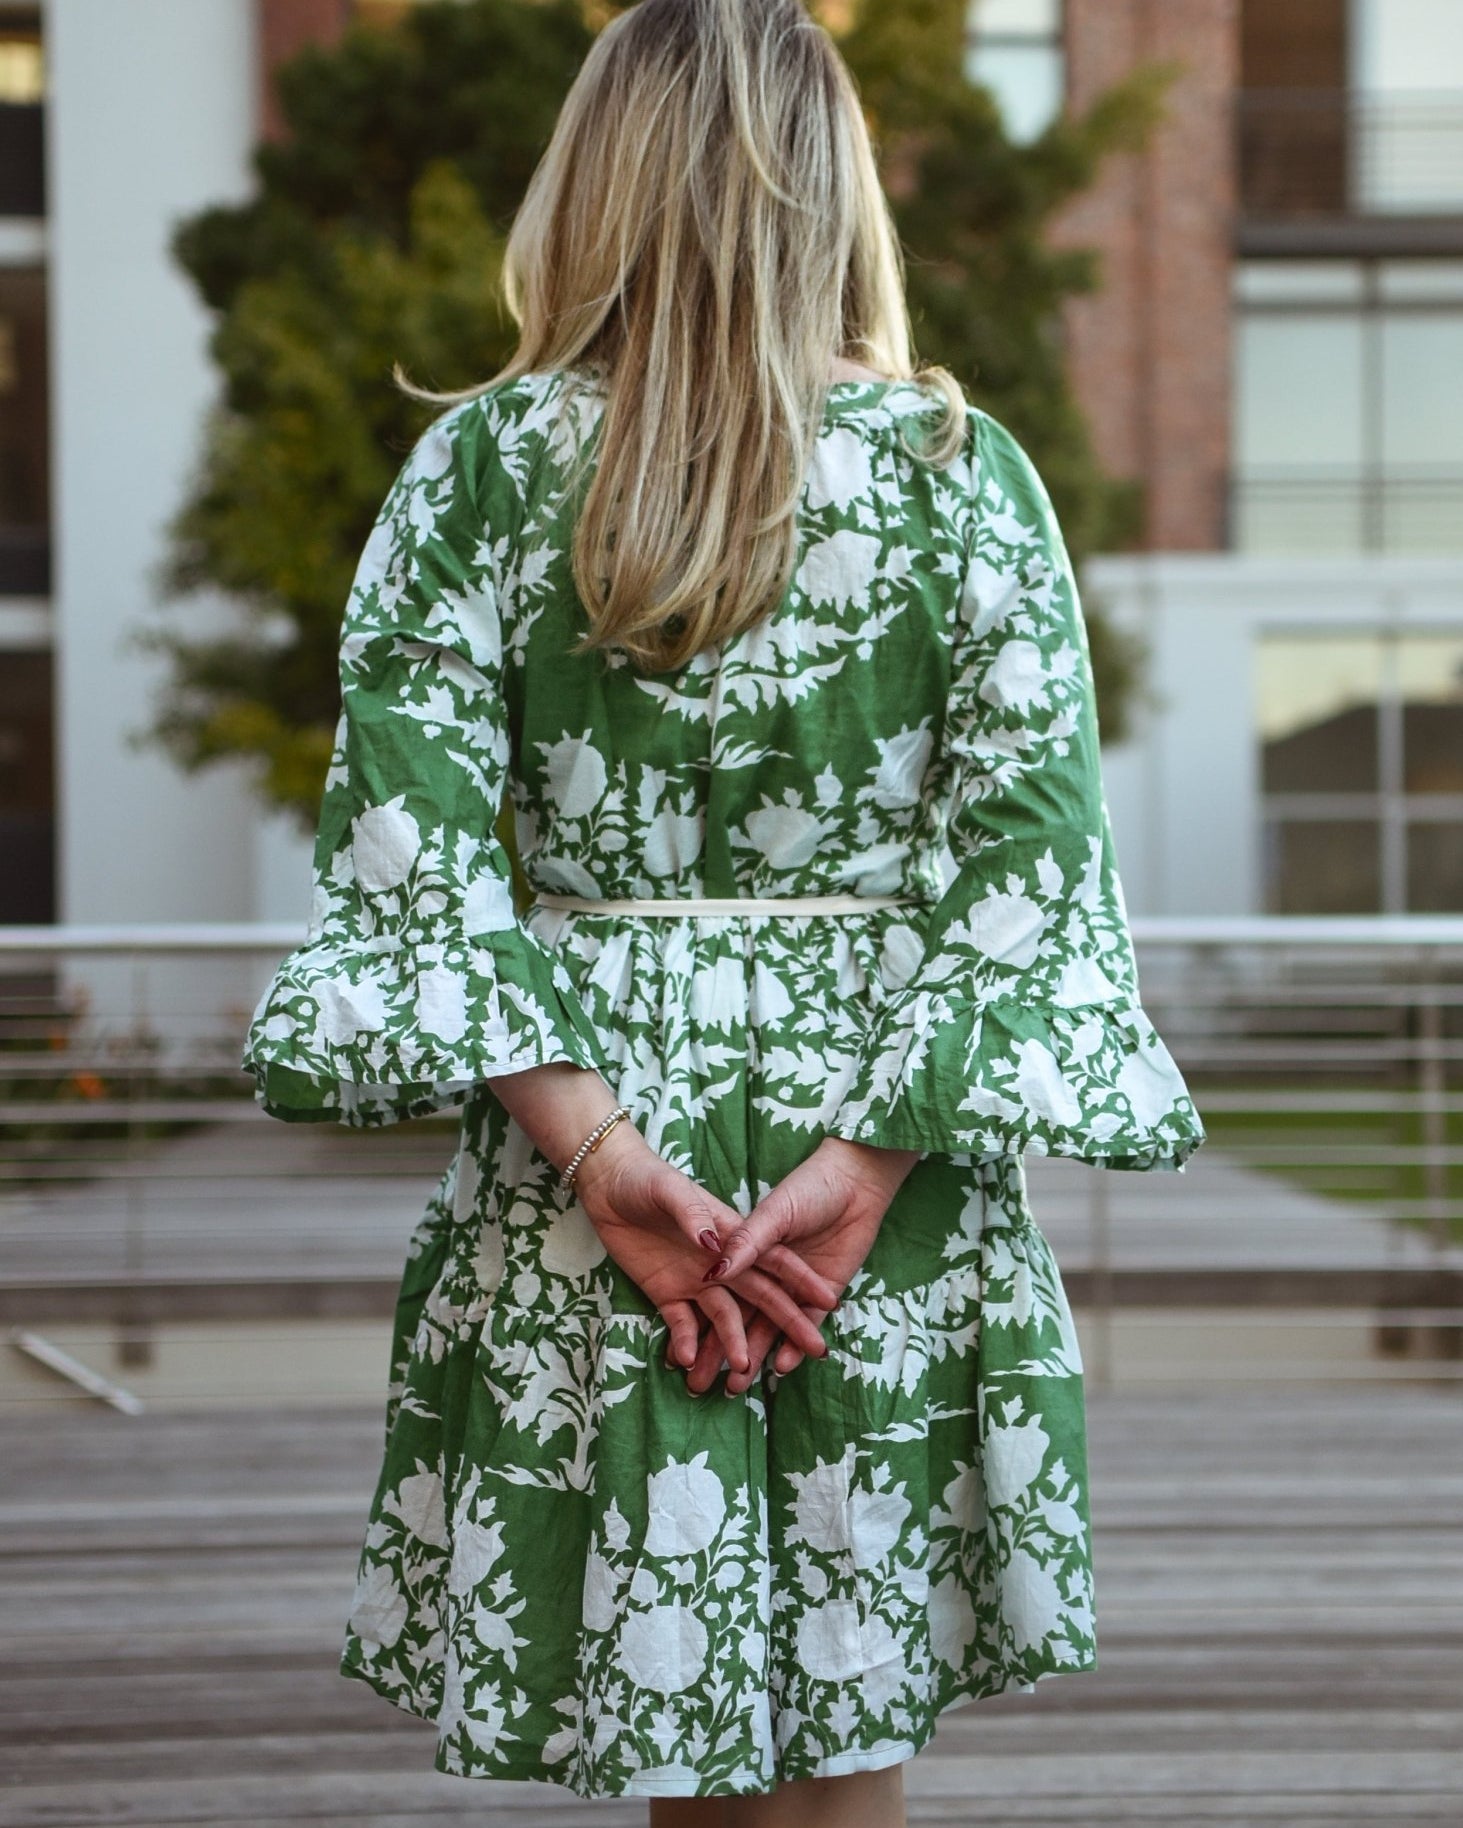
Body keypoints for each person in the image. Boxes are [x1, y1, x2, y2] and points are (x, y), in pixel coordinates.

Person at [240, 0, 1206, 1819]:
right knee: (846, 1753)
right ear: (835, 192)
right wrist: (861, 1174)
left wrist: (605, 1159)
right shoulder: (958, 482)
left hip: (587, 1151)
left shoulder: (479, 477)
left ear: (587, 182)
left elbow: (410, 861)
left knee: (675, 1733)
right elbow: (1029, 873)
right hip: (879, 1186)